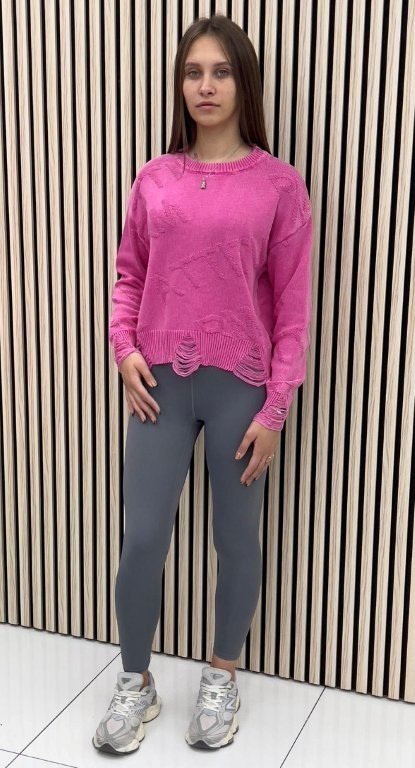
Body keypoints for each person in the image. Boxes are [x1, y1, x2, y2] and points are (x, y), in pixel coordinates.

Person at [93, 12, 312, 755]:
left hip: (241, 389)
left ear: (242, 82)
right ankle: (135, 681)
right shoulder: (154, 178)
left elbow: (293, 310)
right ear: (180, 85)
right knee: (142, 539)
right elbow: (129, 274)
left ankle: (222, 676)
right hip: (157, 384)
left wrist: (275, 409)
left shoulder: (279, 186)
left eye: (220, 71)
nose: (206, 85)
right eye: (193, 72)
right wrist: (123, 348)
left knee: (235, 537)